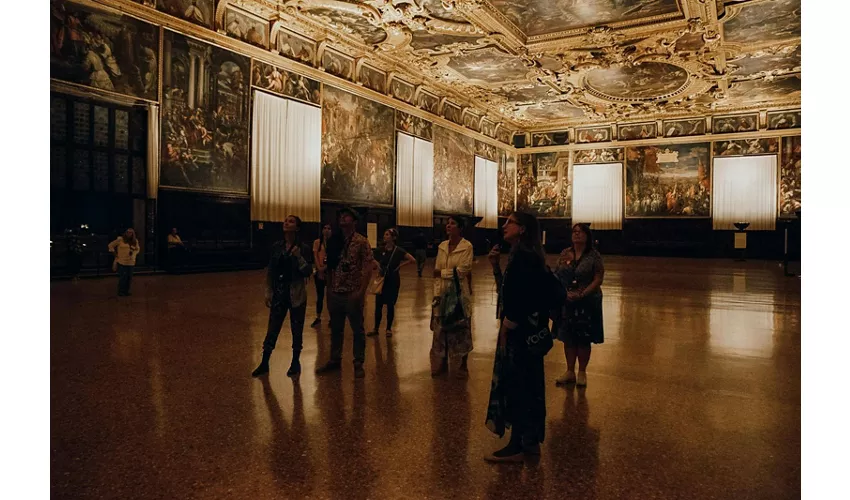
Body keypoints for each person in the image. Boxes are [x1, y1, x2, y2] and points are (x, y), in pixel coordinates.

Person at [484, 211, 548, 463]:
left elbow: (525, 296)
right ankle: (529, 441)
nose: (504, 225)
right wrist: (495, 267)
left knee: (518, 385)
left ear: (522, 229)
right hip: (525, 330)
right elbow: (508, 292)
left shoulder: (524, 256)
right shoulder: (522, 254)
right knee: (528, 384)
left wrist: (509, 324)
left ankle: (517, 445)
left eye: (510, 222)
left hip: (520, 332)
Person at [315, 207, 374, 379]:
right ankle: (335, 359)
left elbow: (368, 267)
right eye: (341, 216)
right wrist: (328, 288)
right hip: (335, 291)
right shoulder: (335, 240)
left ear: (354, 221)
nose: (342, 218)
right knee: (336, 328)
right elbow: (330, 266)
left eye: (346, 216)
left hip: (352, 292)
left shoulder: (361, 241)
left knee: (357, 329)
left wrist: (362, 291)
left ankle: (358, 362)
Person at [252, 215, 313, 378]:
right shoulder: (277, 246)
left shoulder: (303, 248)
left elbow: (308, 271)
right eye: (286, 221)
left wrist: (298, 257)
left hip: (296, 293)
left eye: (291, 221)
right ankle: (265, 362)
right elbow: (271, 270)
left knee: (296, 328)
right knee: (273, 327)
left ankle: (295, 362)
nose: (286, 223)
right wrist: (268, 291)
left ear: (297, 228)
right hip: (279, 291)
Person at [554, 223, 605, 388]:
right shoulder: (565, 253)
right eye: (574, 232)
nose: (577, 235)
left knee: (584, 338)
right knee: (568, 337)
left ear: (587, 236)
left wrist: (583, 293)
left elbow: (598, 277)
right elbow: (558, 273)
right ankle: (570, 371)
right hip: (568, 300)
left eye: (581, 232)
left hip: (587, 300)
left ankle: (582, 371)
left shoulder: (594, 255)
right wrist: (563, 292)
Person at [430, 215, 474, 378]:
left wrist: (441, 273)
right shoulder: (442, 246)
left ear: (460, 228)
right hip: (442, 293)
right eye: (447, 223)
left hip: (459, 294)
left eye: (453, 223)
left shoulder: (466, 246)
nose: (449, 226)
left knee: (461, 328)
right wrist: (435, 297)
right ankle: (442, 362)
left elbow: (463, 271)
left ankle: (463, 364)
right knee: (441, 330)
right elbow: (436, 273)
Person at [368, 228, 416, 338]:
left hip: (393, 280)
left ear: (393, 238)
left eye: (387, 235)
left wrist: (400, 266)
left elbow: (412, 260)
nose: (385, 236)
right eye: (385, 234)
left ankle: (388, 328)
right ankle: (376, 328)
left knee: (390, 305)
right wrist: (378, 265)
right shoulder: (380, 250)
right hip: (382, 279)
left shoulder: (398, 251)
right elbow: (370, 257)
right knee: (378, 305)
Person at [108, 228, 140, 296]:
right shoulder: (120, 240)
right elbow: (110, 245)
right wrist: (115, 254)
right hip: (122, 261)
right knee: (123, 277)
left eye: (131, 233)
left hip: (131, 262)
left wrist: (134, 254)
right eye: (128, 232)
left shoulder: (135, 241)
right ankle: (121, 291)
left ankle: (126, 291)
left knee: (129, 277)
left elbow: (137, 249)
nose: (129, 234)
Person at [311, 223, 332, 328]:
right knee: (320, 296)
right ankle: (318, 317)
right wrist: (319, 269)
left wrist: (325, 268)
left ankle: (332, 319)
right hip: (319, 272)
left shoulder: (333, 243)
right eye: (325, 228)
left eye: (329, 228)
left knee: (330, 297)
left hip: (330, 273)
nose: (327, 230)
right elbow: (315, 256)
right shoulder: (317, 242)